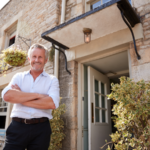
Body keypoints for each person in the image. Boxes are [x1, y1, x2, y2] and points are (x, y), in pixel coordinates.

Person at [1, 43, 60, 150]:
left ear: (46, 60)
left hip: (41, 129)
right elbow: (7, 96)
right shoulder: (18, 77)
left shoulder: (52, 80)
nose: (37, 60)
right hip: (17, 127)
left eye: (40, 57)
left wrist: (21, 97)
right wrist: (38, 95)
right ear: (29, 59)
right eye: (34, 56)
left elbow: (52, 103)